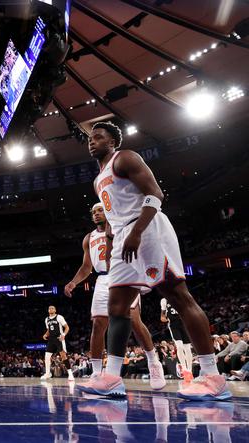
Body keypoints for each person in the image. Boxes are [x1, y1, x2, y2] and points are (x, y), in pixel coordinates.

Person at [78, 121, 230, 401]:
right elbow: (115, 213)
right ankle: (112, 377)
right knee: (117, 307)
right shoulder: (97, 179)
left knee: (177, 294)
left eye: (99, 137)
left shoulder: (125, 158)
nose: (92, 141)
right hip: (123, 235)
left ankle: (213, 376)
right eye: (90, 138)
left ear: (112, 142)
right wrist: (118, 237)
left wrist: (136, 231)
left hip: (146, 228)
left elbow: (155, 194)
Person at [66, 203, 165, 389]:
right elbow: (87, 267)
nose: (96, 214)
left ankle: (154, 362)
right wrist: (73, 282)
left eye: (100, 210)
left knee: (134, 320)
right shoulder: (89, 238)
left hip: (124, 273)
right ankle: (96, 374)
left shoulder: (120, 227)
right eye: (93, 212)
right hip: (102, 279)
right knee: (98, 324)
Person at [160, 298, 193, 381]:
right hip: (174, 326)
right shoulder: (164, 300)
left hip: (184, 325)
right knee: (180, 347)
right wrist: (167, 319)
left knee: (188, 349)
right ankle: (184, 369)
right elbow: (162, 317)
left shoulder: (180, 297)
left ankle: (190, 371)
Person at [41, 306, 74, 381]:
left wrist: (63, 335)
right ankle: (47, 374)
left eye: (52, 308)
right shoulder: (47, 319)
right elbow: (49, 329)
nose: (50, 309)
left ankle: (70, 374)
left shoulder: (59, 317)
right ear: (48, 310)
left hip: (59, 338)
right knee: (47, 356)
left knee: (63, 355)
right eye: (49, 308)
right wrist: (45, 334)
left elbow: (67, 327)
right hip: (51, 340)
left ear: (55, 310)